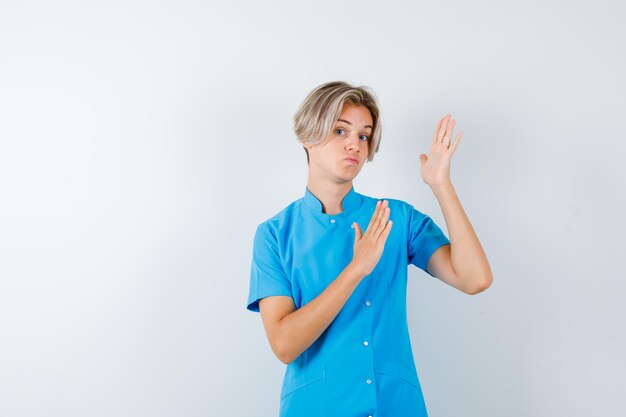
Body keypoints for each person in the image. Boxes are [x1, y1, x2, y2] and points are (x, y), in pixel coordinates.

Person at [246, 80, 493, 417]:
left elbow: (474, 278)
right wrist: (356, 269)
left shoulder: (395, 218)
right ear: (307, 137)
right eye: (340, 131)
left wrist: (441, 184)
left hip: (395, 406)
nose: (355, 145)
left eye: (364, 135)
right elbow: (284, 344)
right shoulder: (275, 234)